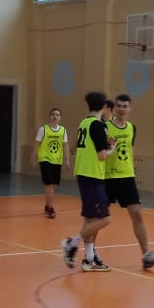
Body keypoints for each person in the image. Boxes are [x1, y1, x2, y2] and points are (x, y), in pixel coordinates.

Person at [105, 93, 154, 269]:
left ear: (130, 109)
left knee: (137, 214)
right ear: (114, 108)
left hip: (127, 177)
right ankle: (89, 253)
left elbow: (129, 150)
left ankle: (146, 255)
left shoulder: (132, 128)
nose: (121, 109)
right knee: (98, 218)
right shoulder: (105, 127)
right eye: (118, 106)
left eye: (125, 106)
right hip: (108, 178)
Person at [61, 91, 115, 271]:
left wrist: (106, 144)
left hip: (83, 173)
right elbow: (101, 156)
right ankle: (71, 244)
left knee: (90, 218)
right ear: (104, 107)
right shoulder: (98, 125)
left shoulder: (84, 122)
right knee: (105, 219)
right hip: (93, 175)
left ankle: (89, 260)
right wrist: (111, 149)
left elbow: (87, 146)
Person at [35, 107, 69, 218]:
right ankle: (50, 208)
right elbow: (36, 144)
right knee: (49, 184)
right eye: (53, 114)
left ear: (60, 118)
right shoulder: (43, 129)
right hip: (45, 159)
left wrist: (67, 160)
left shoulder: (63, 130)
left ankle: (47, 206)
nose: (55, 116)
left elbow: (65, 146)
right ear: (49, 116)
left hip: (57, 160)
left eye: (57, 115)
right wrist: (33, 157)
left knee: (52, 185)